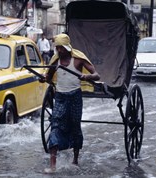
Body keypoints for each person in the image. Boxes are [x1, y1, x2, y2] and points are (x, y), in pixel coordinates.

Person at [39, 34, 100, 173]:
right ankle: (53, 166)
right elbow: (49, 78)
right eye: (57, 48)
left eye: (61, 48)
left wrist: (87, 76)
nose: (59, 51)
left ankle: (75, 160)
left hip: (75, 97)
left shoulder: (78, 60)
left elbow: (97, 75)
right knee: (55, 125)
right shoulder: (55, 61)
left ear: (67, 48)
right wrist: (43, 79)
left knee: (75, 126)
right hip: (60, 96)